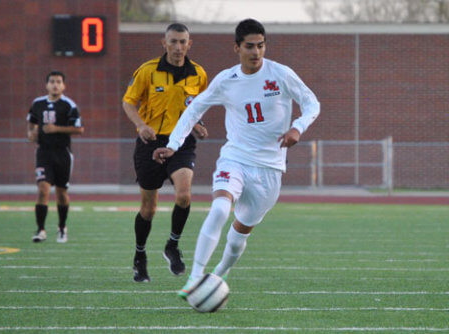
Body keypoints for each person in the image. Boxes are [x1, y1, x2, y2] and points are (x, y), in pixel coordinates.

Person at [152, 18, 320, 298]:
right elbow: (194, 110)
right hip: (236, 159)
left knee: (237, 236)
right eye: (250, 46)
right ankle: (194, 278)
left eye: (261, 46)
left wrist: (297, 127)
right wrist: (173, 144)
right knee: (219, 209)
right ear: (237, 48)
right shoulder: (226, 80)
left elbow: (311, 102)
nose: (256, 52)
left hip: (270, 169)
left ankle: (219, 273)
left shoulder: (280, 74)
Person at [122, 23, 208, 283]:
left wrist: (196, 125)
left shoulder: (199, 74)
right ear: (164, 43)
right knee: (148, 209)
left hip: (180, 142)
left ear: (189, 44)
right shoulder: (148, 71)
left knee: (184, 195)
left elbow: (197, 106)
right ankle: (139, 256)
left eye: (183, 41)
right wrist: (140, 125)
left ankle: (172, 245)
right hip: (150, 143)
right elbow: (128, 102)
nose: (178, 47)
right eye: (173, 41)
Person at [26, 70, 84, 244]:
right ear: (46, 84)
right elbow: (31, 121)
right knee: (43, 189)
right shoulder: (38, 103)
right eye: (52, 81)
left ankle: (61, 227)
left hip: (62, 153)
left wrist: (56, 128)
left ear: (63, 85)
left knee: (61, 192)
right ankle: (41, 230)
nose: (55, 84)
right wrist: (31, 132)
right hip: (43, 152)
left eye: (59, 81)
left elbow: (79, 129)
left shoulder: (69, 105)